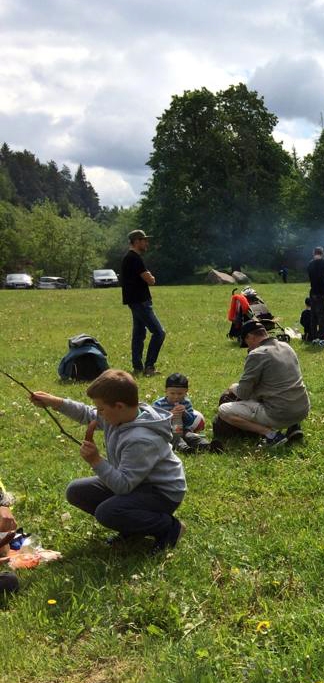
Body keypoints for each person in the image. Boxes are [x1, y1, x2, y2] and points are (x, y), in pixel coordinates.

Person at [30, 370, 186, 551]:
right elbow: (87, 414)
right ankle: (133, 527)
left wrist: (96, 460)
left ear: (119, 406)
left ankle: (169, 528)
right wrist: (55, 402)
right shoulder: (118, 416)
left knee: (107, 512)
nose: (98, 413)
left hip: (162, 493)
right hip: (138, 483)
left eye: (101, 409)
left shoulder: (141, 439)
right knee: (76, 491)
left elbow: (123, 486)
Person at [215, 320, 310, 447]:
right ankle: (294, 426)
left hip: (280, 413)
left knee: (224, 410)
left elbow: (243, 393)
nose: (248, 347)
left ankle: (271, 435)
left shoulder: (257, 354)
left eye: (246, 342)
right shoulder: (286, 346)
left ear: (251, 337)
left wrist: (233, 388)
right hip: (302, 409)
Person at [121, 229, 165, 377]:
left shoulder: (130, 257)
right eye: (144, 240)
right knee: (159, 333)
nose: (147, 243)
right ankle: (149, 367)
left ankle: (138, 367)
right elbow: (150, 280)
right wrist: (151, 276)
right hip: (140, 302)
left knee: (139, 334)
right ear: (136, 241)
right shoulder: (134, 258)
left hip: (135, 301)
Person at [153, 373, 206, 452]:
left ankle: (206, 445)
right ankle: (185, 449)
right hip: (168, 431)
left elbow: (190, 422)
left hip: (184, 430)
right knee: (176, 438)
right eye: (172, 393)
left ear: (186, 392)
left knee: (191, 436)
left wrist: (185, 413)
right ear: (166, 391)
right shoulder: (159, 404)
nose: (176, 397)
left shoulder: (186, 403)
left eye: (180, 394)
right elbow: (156, 423)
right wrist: (170, 415)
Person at [307, 247, 324, 343]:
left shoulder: (310, 264)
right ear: (322, 253)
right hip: (320, 292)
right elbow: (323, 278)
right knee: (322, 316)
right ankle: (321, 337)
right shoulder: (322, 262)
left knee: (314, 315)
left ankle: (313, 336)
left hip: (312, 292)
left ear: (314, 253)